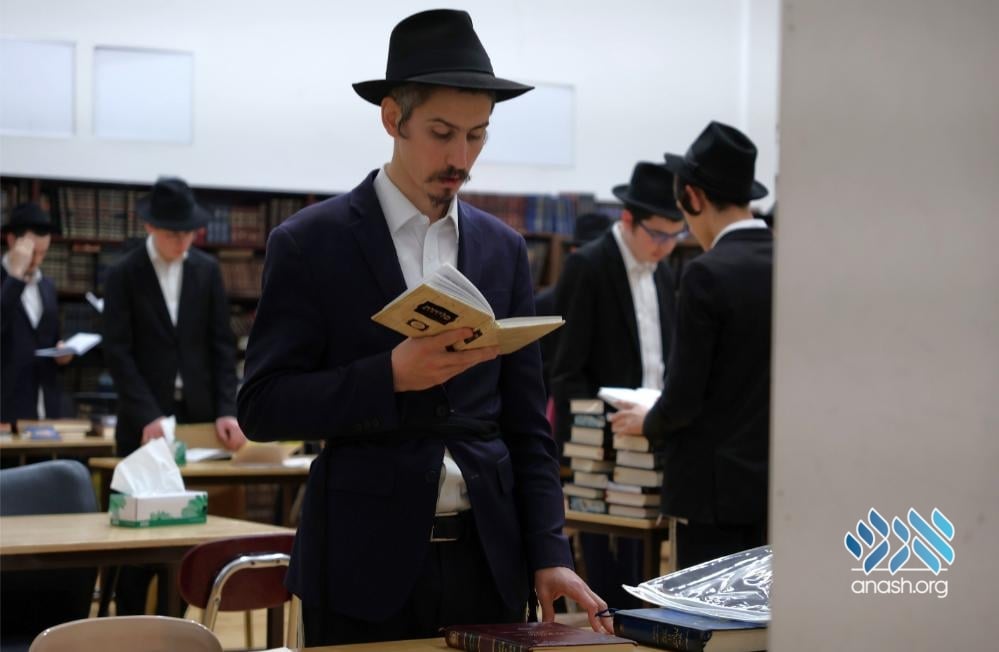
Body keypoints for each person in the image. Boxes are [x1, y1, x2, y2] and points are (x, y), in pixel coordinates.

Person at [237, 9, 610, 646]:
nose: (460, 157)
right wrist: (388, 376)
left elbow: (528, 427)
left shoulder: (503, 249)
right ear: (393, 119)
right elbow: (263, 407)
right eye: (441, 133)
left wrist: (550, 551)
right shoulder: (310, 243)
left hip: (489, 560)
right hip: (361, 564)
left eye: (477, 135)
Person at [609, 121, 773, 570]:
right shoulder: (788, 261)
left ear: (693, 197)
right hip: (774, 487)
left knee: (705, 607)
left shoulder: (706, 273)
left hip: (711, 494)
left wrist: (649, 421)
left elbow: (684, 397)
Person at [103, 176, 246, 613]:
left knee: (189, 542)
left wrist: (227, 409)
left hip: (197, 420)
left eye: (188, 233)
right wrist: (146, 414)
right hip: (141, 423)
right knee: (138, 546)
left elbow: (222, 346)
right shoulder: (124, 273)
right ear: (150, 226)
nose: (182, 242)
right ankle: (128, 627)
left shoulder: (206, 270)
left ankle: (176, 629)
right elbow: (118, 353)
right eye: (172, 234)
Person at [551, 162, 686, 607]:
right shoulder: (588, 266)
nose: (666, 246)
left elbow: (662, 357)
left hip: (651, 432)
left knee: (646, 573)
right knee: (607, 577)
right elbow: (567, 370)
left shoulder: (663, 270)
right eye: (658, 235)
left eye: (676, 235)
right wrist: (589, 445)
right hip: (601, 443)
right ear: (628, 219)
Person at [1, 203, 72, 425]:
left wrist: (62, 354)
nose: (37, 261)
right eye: (32, 253)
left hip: (44, 405)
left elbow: (51, 338)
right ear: (12, 240)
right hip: (5, 406)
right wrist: (15, 276)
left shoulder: (47, 286)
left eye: (43, 253)